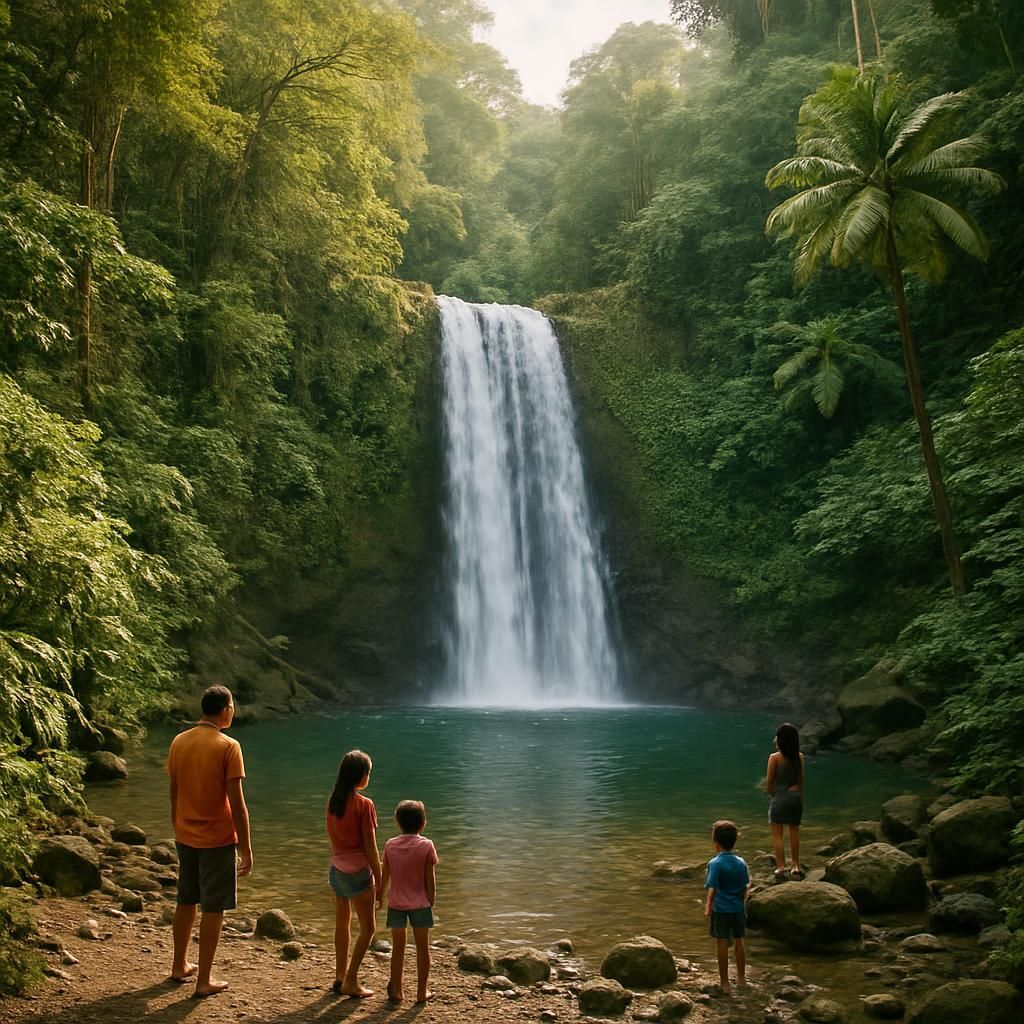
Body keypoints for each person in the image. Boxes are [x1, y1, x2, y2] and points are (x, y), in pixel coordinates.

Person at [166, 685, 253, 998]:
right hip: (217, 839)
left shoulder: (179, 741)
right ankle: (204, 980)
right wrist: (246, 847)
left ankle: (179, 965)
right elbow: (237, 804)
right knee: (213, 907)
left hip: (185, 834)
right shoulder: (229, 746)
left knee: (186, 899)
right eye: (233, 707)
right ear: (226, 709)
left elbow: (174, 790)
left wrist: (178, 825)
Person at [326, 749, 382, 997]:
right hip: (358, 872)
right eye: (368, 773)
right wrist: (380, 879)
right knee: (368, 929)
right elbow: (370, 848)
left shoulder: (333, 802)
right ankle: (351, 980)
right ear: (361, 776)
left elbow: (334, 838)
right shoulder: (364, 805)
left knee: (343, 923)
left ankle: (340, 975)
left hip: (336, 869)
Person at [378, 799, 439, 1004]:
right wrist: (431, 899)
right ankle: (421, 992)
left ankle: (397, 990)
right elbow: (430, 878)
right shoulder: (427, 845)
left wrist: (380, 895)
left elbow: (385, 875)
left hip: (396, 903)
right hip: (421, 904)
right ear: (423, 823)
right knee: (422, 948)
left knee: (398, 948)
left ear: (398, 822)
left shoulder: (390, 845)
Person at [704, 819, 749, 995]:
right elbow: (745, 887)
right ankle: (741, 978)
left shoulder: (715, 863)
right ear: (734, 842)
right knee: (739, 941)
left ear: (715, 842)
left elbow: (713, 889)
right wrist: (741, 904)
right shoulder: (741, 862)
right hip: (738, 909)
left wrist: (708, 907)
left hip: (721, 910)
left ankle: (724, 982)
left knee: (722, 943)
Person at [765, 722, 805, 879]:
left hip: (779, 798)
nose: (775, 739)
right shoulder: (800, 757)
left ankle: (781, 866)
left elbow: (770, 784)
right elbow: (800, 782)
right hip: (795, 799)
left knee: (777, 834)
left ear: (781, 740)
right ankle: (796, 865)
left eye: (777, 737)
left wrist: (773, 794)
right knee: (794, 832)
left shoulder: (774, 758)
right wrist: (798, 797)